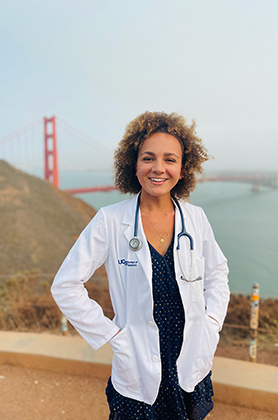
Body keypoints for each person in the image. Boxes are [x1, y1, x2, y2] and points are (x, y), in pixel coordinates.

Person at [51, 111, 230, 420]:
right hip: (136, 364)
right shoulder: (110, 221)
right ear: (133, 165)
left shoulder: (196, 219)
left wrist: (212, 324)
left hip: (190, 359)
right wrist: (112, 337)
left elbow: (217, 276)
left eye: (170, 159)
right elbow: (65, 286)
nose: (158, 168)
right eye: (148, 158)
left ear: (183, 168)